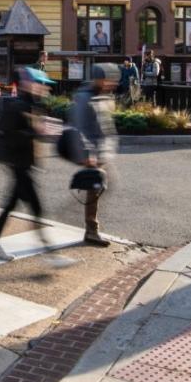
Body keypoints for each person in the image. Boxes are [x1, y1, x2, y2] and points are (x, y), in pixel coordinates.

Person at [0, 67, 53, 260]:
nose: (44, 87)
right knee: (36, 207)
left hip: (23, 164)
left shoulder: (32, 105)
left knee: (11, 205)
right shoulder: (18, 106)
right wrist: (35, 132)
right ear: (28, 84)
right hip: (18, 164)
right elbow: (9, 135)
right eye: (40, 84)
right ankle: (50, 253)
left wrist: (37, 131)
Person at [72, 63, 117, 245]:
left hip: (101, 153)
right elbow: (79, 127)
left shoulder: (102, 96)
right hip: (92, 155)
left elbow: (105, 125)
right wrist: (88, 153)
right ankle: (91, 229)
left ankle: (90, 226)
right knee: (94, 189)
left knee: (100, 187)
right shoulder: (85, 98)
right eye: (108, 80)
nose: (111, 84)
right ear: (99, 79)